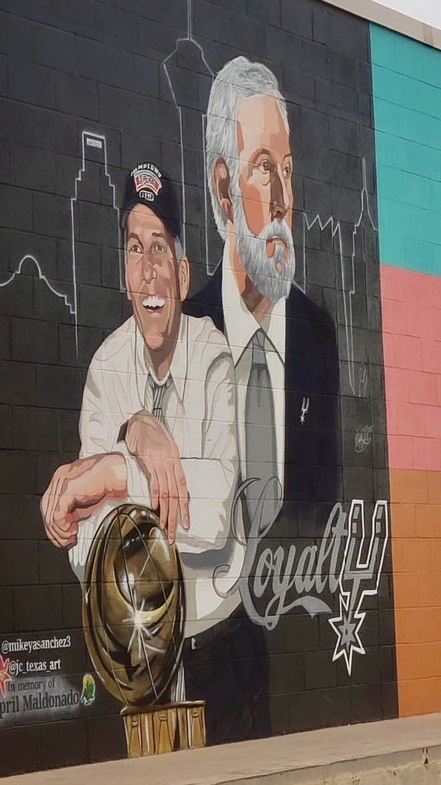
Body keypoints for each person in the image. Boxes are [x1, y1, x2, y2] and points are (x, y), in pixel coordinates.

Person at [40, 162, 265, 743]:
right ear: (124, 272)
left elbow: (214, 514)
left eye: (160, 249)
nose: (149, 272)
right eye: (135, 249)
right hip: (137, 657)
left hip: (220, 650)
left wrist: (115, 474)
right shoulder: (106, 370)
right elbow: (86, 545)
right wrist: (134, 435)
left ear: (183, 273)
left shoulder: (214, 357)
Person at [184, 56, 340, 541]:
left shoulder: (318, 335)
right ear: (224, 187)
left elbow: (323, 511)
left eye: (288, 169)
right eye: (264, 168)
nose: (283, 199)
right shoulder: (185, 335)